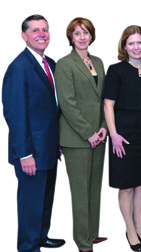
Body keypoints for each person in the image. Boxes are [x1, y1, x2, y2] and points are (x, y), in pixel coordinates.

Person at [2, 14, 65, 252]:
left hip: (49, 148)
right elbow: (15, 115)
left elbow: (53, 108)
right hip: (31, 152)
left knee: (45, 199)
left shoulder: (50, 63)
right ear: (24, 35)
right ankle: (28, 247)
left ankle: (40, 236)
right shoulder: (18, 68)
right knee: (31, 203)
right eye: (35, 30)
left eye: (45, 30)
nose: (41, 34)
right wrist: (25, 153)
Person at [103, 25, 141, 252]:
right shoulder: (116, 70)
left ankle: (140, 227)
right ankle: (129, 229)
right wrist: (114, 134)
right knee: (126, 186)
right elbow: (108, 104)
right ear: (124, 46)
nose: (136, 47)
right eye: (131, 43)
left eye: (140, 42)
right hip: (123, 135)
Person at [54, 17, 107, 252]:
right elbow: (67, 104)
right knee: (80, 193)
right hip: (77, 139)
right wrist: (89, 133)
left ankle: (92, 233)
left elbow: (104, 99)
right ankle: (83, 243)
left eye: (86, 32)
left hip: (100, 136)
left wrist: (104, 126)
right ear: (71, 38)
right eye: (77, 33)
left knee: (94, 188)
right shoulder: (64, 64)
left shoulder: (98, 62)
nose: (82, 37)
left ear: (91, 36)